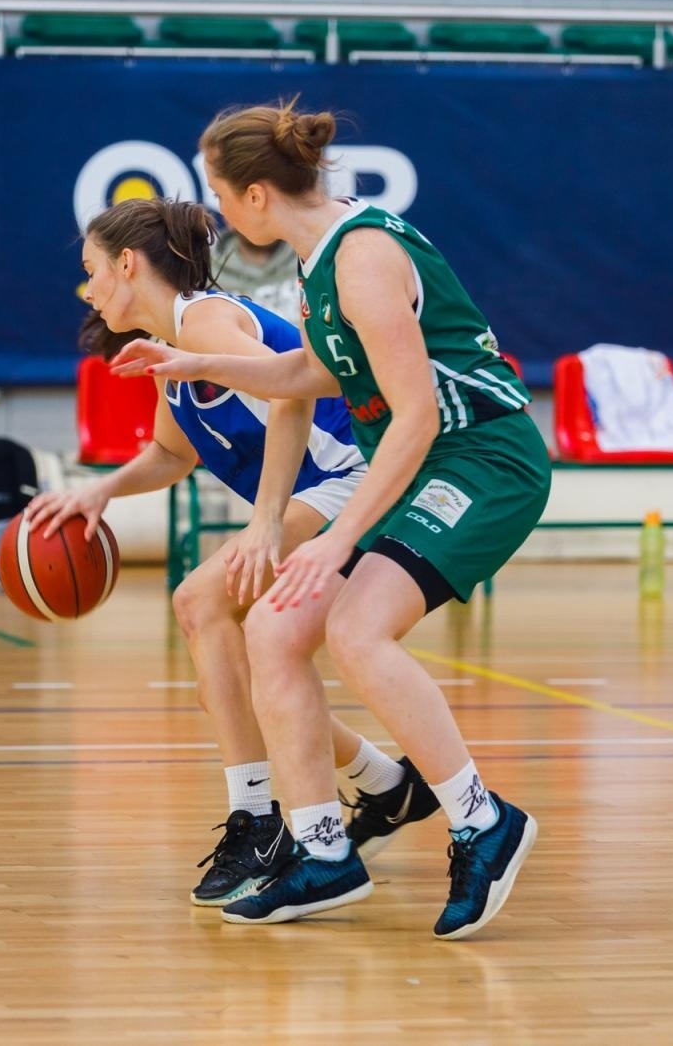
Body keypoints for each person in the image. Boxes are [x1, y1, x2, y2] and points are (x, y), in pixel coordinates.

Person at [113, 99, 546, 940]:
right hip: (424, 465)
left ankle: (481, 819)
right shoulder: (321, 268)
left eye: (218, 192)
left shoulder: (366, 257)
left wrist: (337, 540)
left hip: (484, 461)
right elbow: (310, 374)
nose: (213, 210)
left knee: (356, 630)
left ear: (257, 196)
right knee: (273, 634)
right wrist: (197, 361)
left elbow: (416, 415)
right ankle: (321, 852)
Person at [24, 197, 437, 907]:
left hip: (354, 476)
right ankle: (388, 785)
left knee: (199, 600)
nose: (88, 290)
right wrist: (101, 492)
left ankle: (258, 821)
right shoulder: (171, 350)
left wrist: (265, 522)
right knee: (234, 680)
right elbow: (168, 454)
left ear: (128, 265)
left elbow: (291, 393)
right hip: (320, 491)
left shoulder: (208, 320)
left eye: (92, 271)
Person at [212, 226, 300, 325]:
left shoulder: (310, 257)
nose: (260, 211)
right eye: (245, 210)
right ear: (227, 216)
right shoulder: (204, 267)